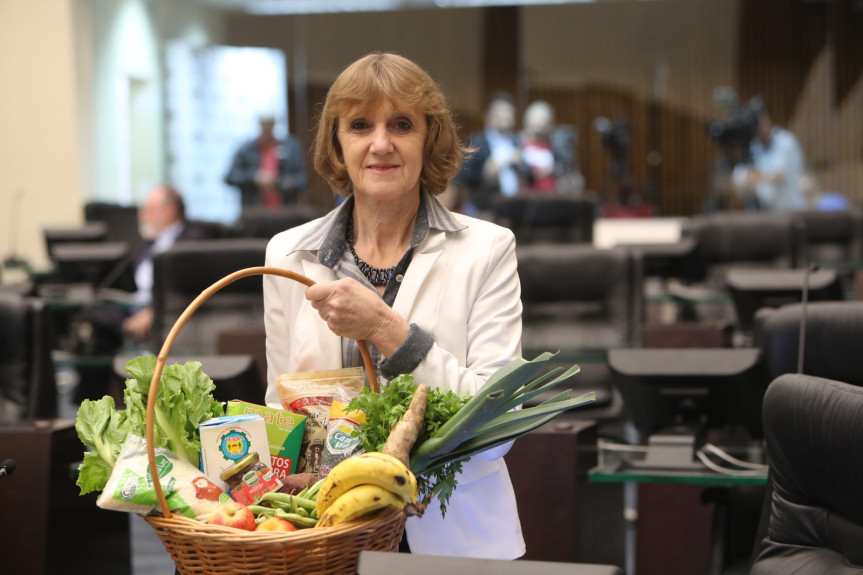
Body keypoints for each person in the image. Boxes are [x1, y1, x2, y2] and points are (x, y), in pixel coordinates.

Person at [263, 52, 525, 560]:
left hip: (455, 540)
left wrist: (387, 328)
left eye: (401, 124)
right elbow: (283, 405)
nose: (380, 144)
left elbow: (496, 428)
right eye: (360, 125)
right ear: (337, 145)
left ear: (430, 138)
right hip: (328, 535)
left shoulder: (488, 250)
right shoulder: (287, 254)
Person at [73, 185, 210, 402]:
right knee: (95, 317)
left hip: (165, 313)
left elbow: (190, 288)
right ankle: (89, 402)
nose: (141, 215)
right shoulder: (141, 242)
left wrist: (152, 311)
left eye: (148, 209)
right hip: (131, 309)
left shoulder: (195, 240)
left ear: (169, 211)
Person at [453, 92, 522, 214]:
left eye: (510, 111)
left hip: (516, 206)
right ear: (489, 116)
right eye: (502, 111)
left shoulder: (517, 141)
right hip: (486, 208)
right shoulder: (477, 141)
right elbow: (462, 176)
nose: (507, 116)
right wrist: (486, 171)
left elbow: (529, 175)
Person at [732, 104, 806, 212]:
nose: (758, 127)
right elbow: (739, 179)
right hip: (767, 212)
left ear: (767, 120)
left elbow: (777, 175)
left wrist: (750, 178)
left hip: (790, 211)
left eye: (760, 122)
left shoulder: (785, 141)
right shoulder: (755, 145)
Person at [224, 114, 309, 208]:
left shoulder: (290, 148)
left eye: (270, 124)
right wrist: (254, 177)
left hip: (285, 210)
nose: (267, 127)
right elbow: (231, 177)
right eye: (265, 124)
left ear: (274, 124)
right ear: (260, 124)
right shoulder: (246, 149)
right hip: (254, 210)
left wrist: (285, 182)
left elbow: (302, 179)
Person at [520, 100, 558, 193]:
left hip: (551, 195)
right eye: (535, 118)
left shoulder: (555, 145)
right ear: (526, 120)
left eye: (544, 119)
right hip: (526, 198)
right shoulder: (518, 143)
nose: (539, 122)